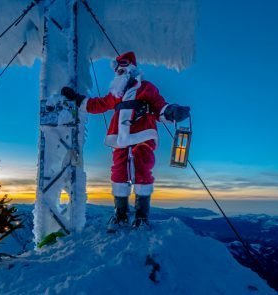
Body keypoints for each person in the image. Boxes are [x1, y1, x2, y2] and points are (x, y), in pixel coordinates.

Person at [61, 51, 190, 232]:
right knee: (119, 172)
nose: (119, 74)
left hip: (142, 133)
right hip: (120, 137)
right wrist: (77, 99)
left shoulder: (146, 88)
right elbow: (98, 104)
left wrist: (172, 111)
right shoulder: (115, 94)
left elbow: (160, 107)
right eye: (117, 72)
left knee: (142, 168)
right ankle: (120, 214)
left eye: (122, 70)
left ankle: (141, 216)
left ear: (130, 70)